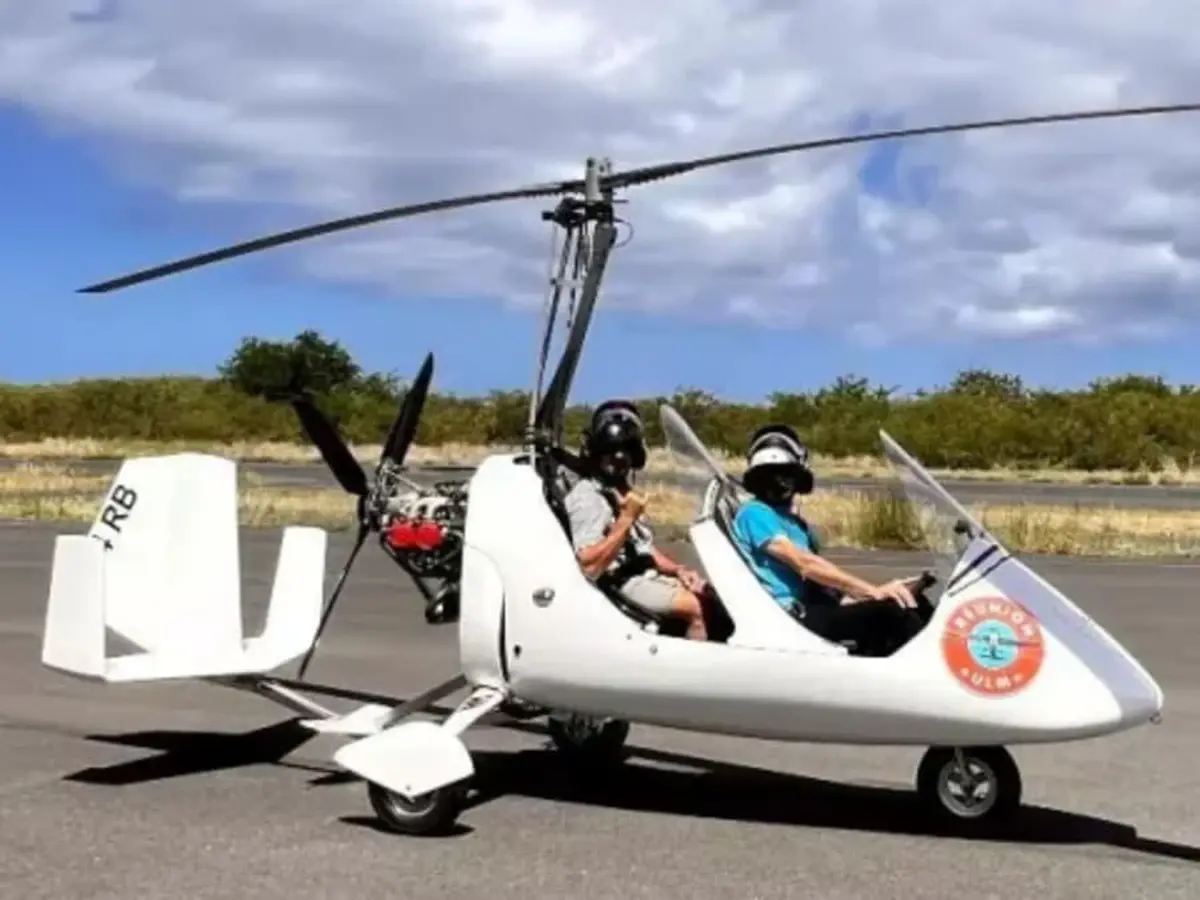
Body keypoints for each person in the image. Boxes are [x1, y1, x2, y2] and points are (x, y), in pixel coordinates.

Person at [730, 424, 924, 654]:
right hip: (788, 616)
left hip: (809, 606)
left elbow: (818, 584)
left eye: (785, 475)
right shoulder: (755, 513)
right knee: (891, 613)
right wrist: (871, 591)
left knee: (909, 602)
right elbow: (805, 564)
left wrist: (864, 596)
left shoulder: (792, 522)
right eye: (773, 476)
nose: (781, 483)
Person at [564, 400, 714, 640]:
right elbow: (589, 566)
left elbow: (643, 547)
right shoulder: (588, 496)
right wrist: (626, 519)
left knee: (710, 595)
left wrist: (678, 570)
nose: (618, 463)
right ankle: (697, 673)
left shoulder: (620, 492)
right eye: (611, 456)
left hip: (640, 574)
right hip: (618, 582)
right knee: (694, 607)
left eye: (624, 457)